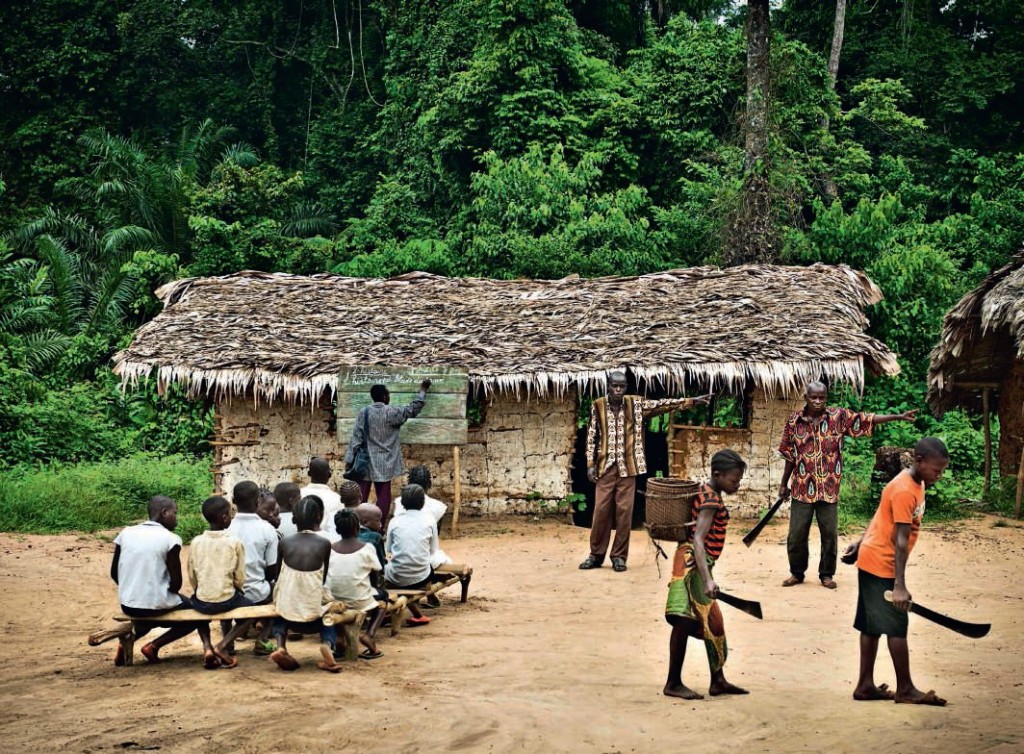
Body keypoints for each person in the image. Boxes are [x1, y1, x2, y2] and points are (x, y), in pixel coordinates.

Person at [778, 381, 917, 589]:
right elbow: (790, 456)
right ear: (805, 397)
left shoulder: (838, 417)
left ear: (826, 398)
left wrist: (897, 416)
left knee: (829, 534)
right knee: (796, 534)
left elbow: (866, 419)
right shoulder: (793, 422)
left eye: (822, 397)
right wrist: (784, 484)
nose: (817, 401)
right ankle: (797, 573)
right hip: (801, 488)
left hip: (829, 488)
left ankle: (826, 574)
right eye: (813, 397)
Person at [843, 437, 950, 705]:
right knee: (896, 627)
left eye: (942, 470)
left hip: (872, 557)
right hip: (881, 564)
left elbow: (880, 515)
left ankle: (865, 685)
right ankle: (905, 689)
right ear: (919, 461)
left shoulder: (915, 481)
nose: (939, 475)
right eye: (936, 470)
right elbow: (900, 542)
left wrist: (860, 541)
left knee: (871, 626)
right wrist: (899, 585)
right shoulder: (905, 490)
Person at [580, 371, 710, 572]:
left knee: (624, 513)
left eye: (622, 387)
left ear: (626, 388)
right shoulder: (598, 405)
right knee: (600, 512)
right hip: (605, 467)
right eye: (614, 386)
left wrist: (690, 401)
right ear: (608, 386)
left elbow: (662, 404)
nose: (618, 390)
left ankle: (619, 557)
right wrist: (589, 463)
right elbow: (591, 436)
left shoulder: (635, 404)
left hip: (628, 468)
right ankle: (595, 555)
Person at [663, 450, 749, 700]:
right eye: (734, 480)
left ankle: (718, 681)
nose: (737, 484)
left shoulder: (705, 491)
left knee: (713, 623)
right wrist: (708, 578)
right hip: (693, 564)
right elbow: (698, 540)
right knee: (684, 619)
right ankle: (673, 683)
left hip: (694, 562)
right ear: (717, 475)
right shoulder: (711, 500)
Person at [110, 496, 222, 669]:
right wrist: (160, 591)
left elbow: (114, 572)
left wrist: (133, 586)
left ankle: (127, 643)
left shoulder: (126, 533)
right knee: (197, 612)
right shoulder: (171, 539)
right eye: (175, 513)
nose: (176, 518)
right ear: (164, 513)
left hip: (128, 603)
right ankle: (154, 646)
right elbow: (175, 584)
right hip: (154, 604)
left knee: (149, 611)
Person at [269, 496, 342, 672]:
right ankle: (327, 644)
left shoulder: (285, 542)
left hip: (289, 614)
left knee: (278, 612)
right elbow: (322, 579)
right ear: (318, 518)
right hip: (314, 615)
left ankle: (280, 645)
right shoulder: (324, 543)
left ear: (293, 519)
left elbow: (278, 575)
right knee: (329, 619)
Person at [345, 379, 432, 520]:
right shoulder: (393, 412)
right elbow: (413, 409)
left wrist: (349, 460)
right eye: (388, 394)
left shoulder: (364, 412)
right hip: (385, 462)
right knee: (383, 497)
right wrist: (423, 390)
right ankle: (378, 528)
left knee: (361, 497)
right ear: (385, 397)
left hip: (364, 462)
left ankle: (359, 525)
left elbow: (356, 438)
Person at [225, 481, 280, 654]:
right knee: (277, 589)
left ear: (233, 501)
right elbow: (272, 570)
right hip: (257, 592)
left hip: (228, 593)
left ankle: (229, 640)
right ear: (257, 502)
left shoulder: (226, 528)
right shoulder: (267, 529)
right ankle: (262, 639)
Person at [327, 509, 385, 659]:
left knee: (339, 596)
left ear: (337, 529)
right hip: (359, 600)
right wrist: (373, 589)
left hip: (334, 600)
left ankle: (340, 637)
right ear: (358, 529)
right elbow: (374, 574)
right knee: (383, 600)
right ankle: (369, 635)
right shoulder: (367, 548)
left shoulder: (330, 549)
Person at [384, 483, 444, 625]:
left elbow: (389, 551)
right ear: (423, 503)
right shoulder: (430, 520)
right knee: (434, 561)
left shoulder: (394, 521)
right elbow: (433, 550)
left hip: (396, 577)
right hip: (421, 577)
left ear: (402, 503)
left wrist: (395, 562)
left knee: (385, 568)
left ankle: (389, 611)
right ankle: (415, 611)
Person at [188, 496, 250, 615]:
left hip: (202, 601)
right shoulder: (234, 542)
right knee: (252, 610)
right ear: (225, 517)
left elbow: (192, 574)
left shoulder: (196, 542)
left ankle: (206, 635)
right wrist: (239, 589)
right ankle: (230, 635)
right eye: (230, 513)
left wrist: (198, 590)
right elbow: (239, 575)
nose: (232, 516)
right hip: (227, 600)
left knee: (194, 610)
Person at [393, 466, 452, 569]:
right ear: (429, 485)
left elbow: (391, 545)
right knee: (444, 559)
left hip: (401, 558)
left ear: (408, 484)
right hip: (424, 556)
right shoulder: (438, 507)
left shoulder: (397, 503)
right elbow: (433, 545)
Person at [301, 458, 343, 537]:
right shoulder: (337, 499)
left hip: (301, 541)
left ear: (309, 473)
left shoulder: (298, 494)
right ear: (329, 475)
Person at [356, 502, 387, 569]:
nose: (380, 524)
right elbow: (381, 564)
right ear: (365, 522)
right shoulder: (376, 537)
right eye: (377, 521)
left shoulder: (350, 534)